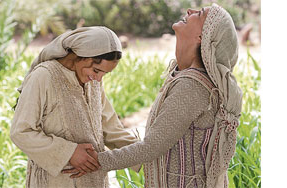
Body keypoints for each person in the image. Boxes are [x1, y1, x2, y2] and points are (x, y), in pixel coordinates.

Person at [63, 3, 243, 188]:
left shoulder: (192, 86)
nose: (191, 11)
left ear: (202, 36)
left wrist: (95, 162)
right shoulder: (183, 76)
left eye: (200, 14)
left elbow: (152, 146)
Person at [10, 26, 140, 188]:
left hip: (94, 181)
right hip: (55, 182)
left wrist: (147, 155)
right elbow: (20, 131)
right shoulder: (44, 76)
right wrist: (68, 152)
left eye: (103, 74)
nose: (98, 79)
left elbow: (111, 129)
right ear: (80, 56)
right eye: (96, 70)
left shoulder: (92, 81)